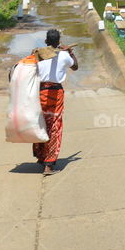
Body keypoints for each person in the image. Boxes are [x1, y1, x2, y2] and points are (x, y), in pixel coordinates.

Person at [32, 28, 78, 175]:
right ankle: (49, 165)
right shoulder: (64, 55)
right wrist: (70, 53)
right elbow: (75, 67)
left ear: (46, 41)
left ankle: (41, 156)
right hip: (55, 93)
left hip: (40, 93)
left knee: (41, 123)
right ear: (59, 42)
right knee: (54, 126)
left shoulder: (38, 55)